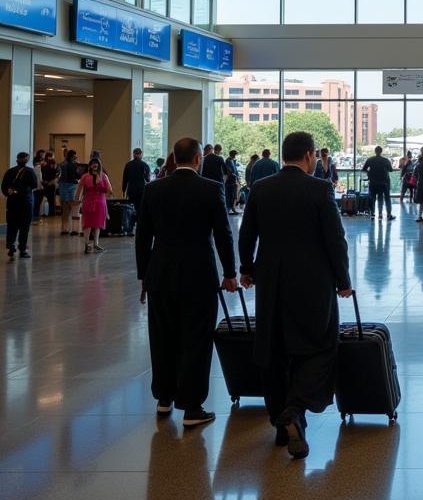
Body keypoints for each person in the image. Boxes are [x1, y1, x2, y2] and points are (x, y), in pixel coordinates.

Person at [239, 131, 352, 456]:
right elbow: (335, 239)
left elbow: (246, 235)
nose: (316, 160)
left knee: (273, 347)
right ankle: (295, 410)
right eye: (314, 155)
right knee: (318, 345)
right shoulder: (320, 189)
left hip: (271, 281)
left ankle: (281, 421)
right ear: (307, 155)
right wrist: (343, 280)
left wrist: (247, 268)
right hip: (313, 282)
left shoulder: (261, 188)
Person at [135, 137, 237, 428]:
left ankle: (164, 398)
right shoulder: (211, 189)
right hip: (198, 274)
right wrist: (229, 272)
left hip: (160, 272)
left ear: (173, 158)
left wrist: (144, 276)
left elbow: (143, 237)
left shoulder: (153, 189)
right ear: (197, 159)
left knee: (162, 334)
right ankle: (192, 406)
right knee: (196, 337)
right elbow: (222, 234)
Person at [3, 152, 38, 260]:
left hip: (12, 201)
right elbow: (34, 185)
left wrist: (10, 192)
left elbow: (4, 187)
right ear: (26, 160)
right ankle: (22, 249)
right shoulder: (30, 171)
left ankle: (11, 246)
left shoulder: (9, 171)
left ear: (17, 159)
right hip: (25, 202)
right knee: (24, 226)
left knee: (12, 224)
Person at [76, 156, 112, 254]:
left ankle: (95, 244)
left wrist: (106, 190)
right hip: (88, 202)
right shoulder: (85, 176)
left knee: (97, 224)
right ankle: (87, 244)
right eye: (92, 163)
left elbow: (109, 190)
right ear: (90, 166)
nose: (94, 165)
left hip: (100, 202)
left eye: (96, 163)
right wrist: (77, 199)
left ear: (99, 165)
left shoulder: (103, 176)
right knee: (87, 224)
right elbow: (79, 189)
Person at [122, 147, 151, 232]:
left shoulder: (128, 165)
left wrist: (123, 190)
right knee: (140, 209)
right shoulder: (144, 165)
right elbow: (148, 179)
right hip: (141, 190)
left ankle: (130, 228)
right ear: (141, 154)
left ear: (133, 154)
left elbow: (125, 179)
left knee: (131, 209)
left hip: (131, 189)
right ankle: (139, 227)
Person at [361, 146, 395, 220]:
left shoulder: (370, 159)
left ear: (375, 151)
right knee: (386, 198)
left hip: (373, 182)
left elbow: (364, 169)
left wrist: (369, 173)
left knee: (372, 198)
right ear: (381, 151)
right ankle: (386, 214)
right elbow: (391, 170)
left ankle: (373, 213)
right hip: (384, 182)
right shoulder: (386, 160)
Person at [58, 149, 81, 235]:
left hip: (63, 185)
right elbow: (78, 175)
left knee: (65, 208)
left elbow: (59, 176)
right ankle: (75, 229)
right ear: (73, 156)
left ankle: (64, 229)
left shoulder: (61, 164)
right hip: (73, 186)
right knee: (74, 207)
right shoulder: (76, 165)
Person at [37, 152, 58, 221]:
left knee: (50, 200)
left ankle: (50, 213)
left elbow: (57, 174)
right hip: (46, 183)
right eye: (52, 156)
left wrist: (52, 181)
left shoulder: (52, 164)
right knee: (44, 199)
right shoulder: (43, 164)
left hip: (49, 183)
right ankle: (43, 213)